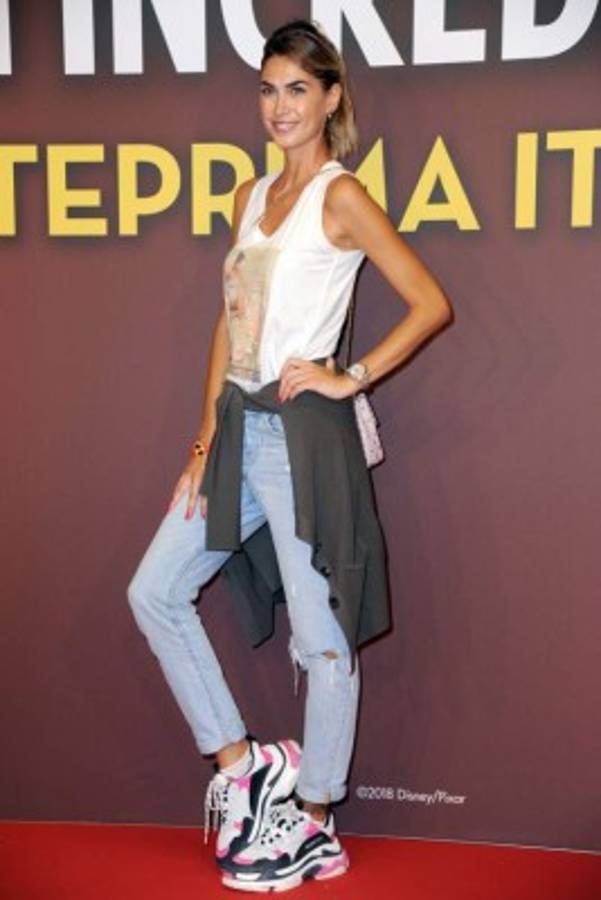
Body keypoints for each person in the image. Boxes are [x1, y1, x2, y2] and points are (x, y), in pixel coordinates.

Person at [127, 17, 452, 894]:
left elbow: (429, 301)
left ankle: (313, 821)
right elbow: (229, 324)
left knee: (321, 639)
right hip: (237, 432)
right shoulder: (251, 193)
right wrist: (203, 442)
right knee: (154, 591)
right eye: (269, 90)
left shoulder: (341, 196)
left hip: (303, 441)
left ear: (331, 98)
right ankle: (242, 769)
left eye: (298, 90)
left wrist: (352, 375)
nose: (280, 107)